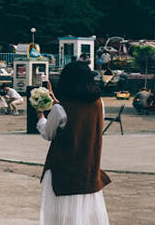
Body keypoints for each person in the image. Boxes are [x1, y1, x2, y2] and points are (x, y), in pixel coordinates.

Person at [37, 61, 110, 224]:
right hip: (88, 168)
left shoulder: (60, 109)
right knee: (84, 216)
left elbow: (48, 134)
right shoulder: (99, 104)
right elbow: (80, 118)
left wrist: (40, 116)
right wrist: (56, 102)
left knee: (62, 216)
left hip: (63, 170)